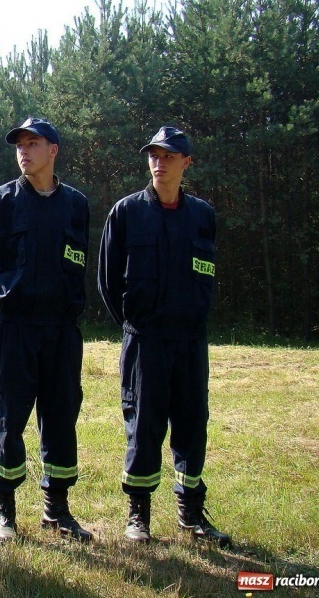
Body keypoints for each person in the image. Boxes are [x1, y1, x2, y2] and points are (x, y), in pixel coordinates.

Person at [97, 126, 231, 547]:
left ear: (186, 163)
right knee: (144, 424)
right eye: (154, 155)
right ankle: (138, 514)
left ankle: (191, 512)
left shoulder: (202, 216)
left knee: (193, 423)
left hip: (190, 340)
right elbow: (107, 279)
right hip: (146, 339)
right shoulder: (126, 213)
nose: (159, 162)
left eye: (169, 156)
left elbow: (205, 275)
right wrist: (137, 323)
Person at [0, 117, 92, 544]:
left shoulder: (76, 205)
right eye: (19, 144)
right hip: (15, 329)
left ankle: (56, 510)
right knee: (9, 418)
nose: (24, 150)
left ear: (53, 150)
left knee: (61, 417)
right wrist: (1, 326)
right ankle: (4, 510)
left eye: (33, 143)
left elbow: (79, 264)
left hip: (61, 331)